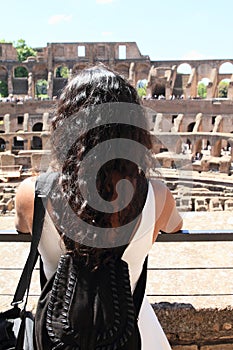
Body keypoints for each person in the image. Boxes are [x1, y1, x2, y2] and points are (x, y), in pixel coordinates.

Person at [15, 64, 183, 350]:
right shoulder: (157, 195)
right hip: (132, 331)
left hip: (59, 334)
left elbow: (22, 227)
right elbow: (175, 226)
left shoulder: (32, 193)